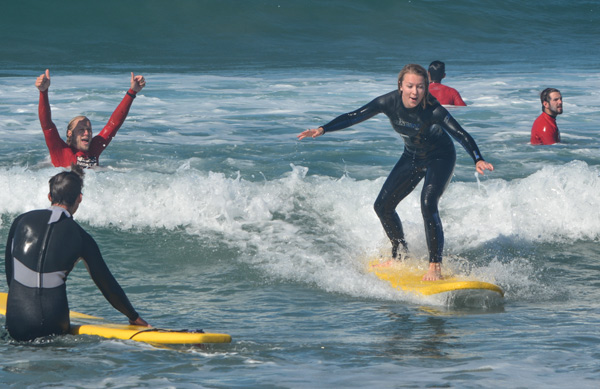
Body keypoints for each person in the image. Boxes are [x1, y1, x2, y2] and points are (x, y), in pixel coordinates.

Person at [297, 64, 493, 281]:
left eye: (420, 87)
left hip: (441, 157)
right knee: (382, 206)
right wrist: (323, 129)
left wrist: (478, 158)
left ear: (426, 88)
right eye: (410, 86)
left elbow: (461, 134)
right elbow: (354, 116)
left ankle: (435, 266)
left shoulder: (434, 110)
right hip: (412, 156)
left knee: (428, 203)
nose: (415, 92)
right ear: (400, 86)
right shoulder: (387, 102)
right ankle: (400, 254)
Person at [4, 165, 149, 341]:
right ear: (79, 198)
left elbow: (10, 273)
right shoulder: (82, 237)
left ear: (50, 197)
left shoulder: (20, 221)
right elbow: (107, 285)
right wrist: (134, 317)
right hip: (54, 324)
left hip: (16, 323)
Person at [35, 69, 146, 168]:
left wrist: (132, 92)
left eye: (89, 130)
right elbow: (47, 125)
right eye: (81, 130)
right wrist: (43, 92)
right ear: (70, 133)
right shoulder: (61, 151)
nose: (87, 133)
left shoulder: (94, 149)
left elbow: (113, 125)